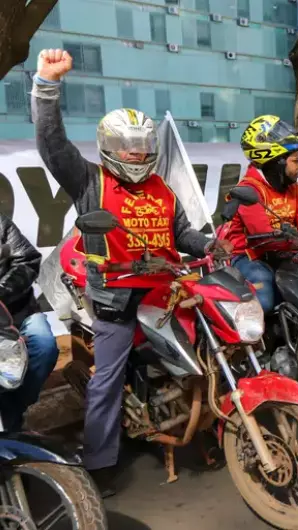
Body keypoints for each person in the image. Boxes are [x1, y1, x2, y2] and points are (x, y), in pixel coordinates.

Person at [32, 48, 232, 496]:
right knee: (108, 377)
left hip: (166, 292)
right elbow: (52, 145)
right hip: (116, 298)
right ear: (109, 148)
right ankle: (99, 461)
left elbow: (182, 234)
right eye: (129, 147)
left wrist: (209, 245)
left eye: (143, 146)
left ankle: (212, 426)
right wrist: (47, 85)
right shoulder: (91, 181)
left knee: (210, 349)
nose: (138, 154)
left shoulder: (162, 188)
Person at [219, 115, 298, 312]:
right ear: (276, 162)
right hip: (247, 256)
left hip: (283, 251)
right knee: (265, 287)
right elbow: (266, 239)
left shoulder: (294, 188)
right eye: (295, 161)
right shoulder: (249, 190)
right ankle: (258, 331)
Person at [0, 216, 59, 432]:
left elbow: (28, 259)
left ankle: (16, 407)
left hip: (19, 311)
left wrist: (2, 291)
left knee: (45, 346)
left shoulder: (1, 224)